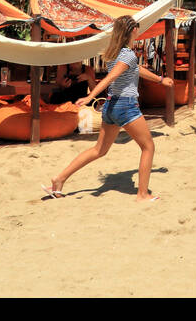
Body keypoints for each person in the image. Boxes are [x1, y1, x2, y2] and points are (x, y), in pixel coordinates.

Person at [47, 15, 173, 202]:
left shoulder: (117, 54)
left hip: (111, 106)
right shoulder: (127, 54)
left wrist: (161, 80)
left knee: (99, 150)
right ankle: (142, 194)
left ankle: (59, 179)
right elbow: (109, 79)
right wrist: (90, 96)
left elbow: (136, 70)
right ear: (132, 31)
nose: (139, 30)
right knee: (148, 147)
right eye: (137, 27)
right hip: (125, 106)